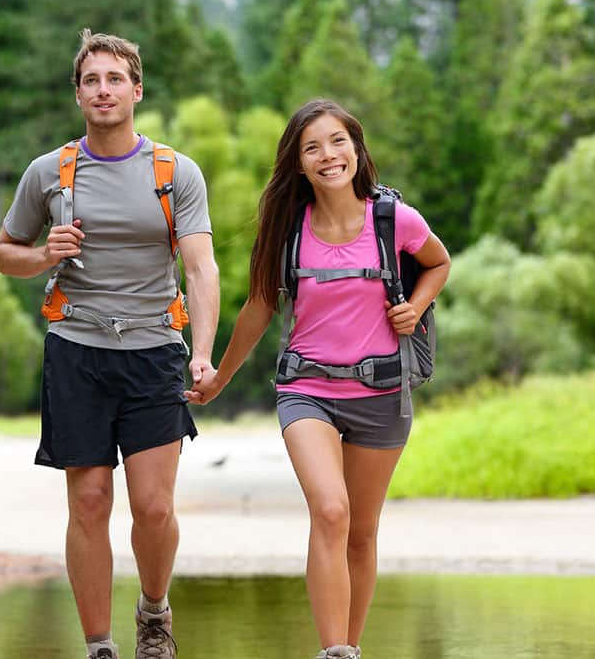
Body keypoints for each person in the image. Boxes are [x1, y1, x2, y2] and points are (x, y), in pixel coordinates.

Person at [185, 99, 450, 659]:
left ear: (356, 149)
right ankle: (334, 652)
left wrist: (417, 304)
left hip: (382, 392)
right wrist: (220, 378)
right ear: (298, 164)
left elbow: (439, 261)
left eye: (337, 142)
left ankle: (350, 647)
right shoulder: (287, 229)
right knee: (330, 509)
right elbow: (259, 306)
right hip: (307, 390)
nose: (328, 155)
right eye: (312, 147)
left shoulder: (394, 218)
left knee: (360, 531)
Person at [0, 30, 219, 659]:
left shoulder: (175, 173)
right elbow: (3, 254)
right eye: (91, 80)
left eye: (114, 79)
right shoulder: (50, 172)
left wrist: (202, 352)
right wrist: (43, 255)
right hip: (76, 352)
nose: (103, 90)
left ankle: (154, 612)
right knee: (89, 500)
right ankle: (99, 645)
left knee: (152, 507)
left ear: (137, 90)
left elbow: (201, 270)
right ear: (78, 94)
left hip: (154, 353)